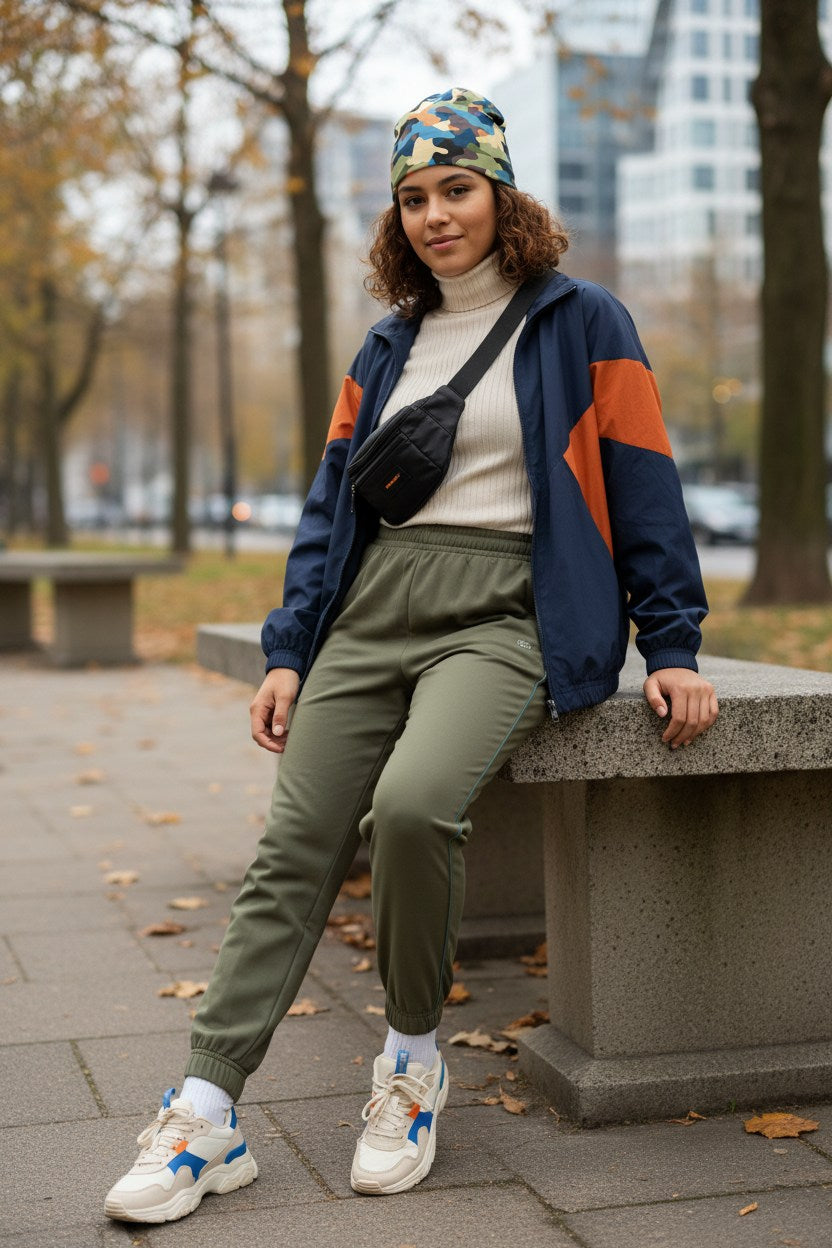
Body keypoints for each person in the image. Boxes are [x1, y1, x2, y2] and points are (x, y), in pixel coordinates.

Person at [104, 87, 718, 1224]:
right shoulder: (385, 345)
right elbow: (329, 508)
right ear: (397, 215)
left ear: (500, 194)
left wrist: (671, 643)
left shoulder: (584, 323)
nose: (436, 214)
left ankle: (412, 1062)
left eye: (456, 189)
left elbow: (643, 484)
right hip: (372, 606)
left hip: (505, 612)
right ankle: (205, 1110)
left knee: (418, 805)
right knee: (294, 846)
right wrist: (291, 647)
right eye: (415, 197)